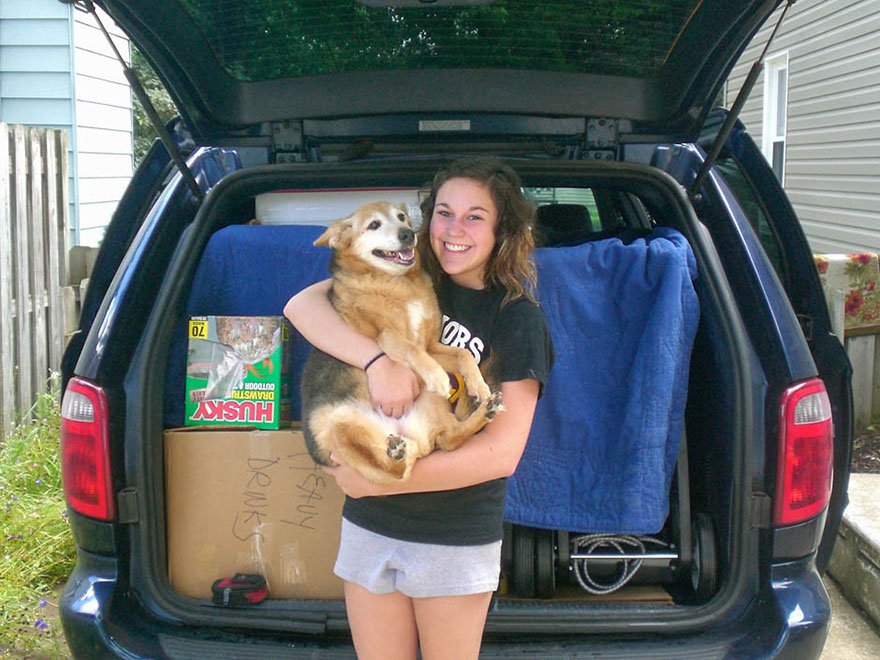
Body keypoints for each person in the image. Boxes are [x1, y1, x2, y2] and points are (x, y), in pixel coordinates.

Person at [284, 156, 554, 660]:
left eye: (475, 217)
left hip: (452, 533)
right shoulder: (403, 268)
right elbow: (301, 307)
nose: (454, 230)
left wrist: (380, 479)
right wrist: (376, 361)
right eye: (444, 213)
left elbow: (501, 454)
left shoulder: (517, 319)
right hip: (371, 523)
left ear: (504, 230)